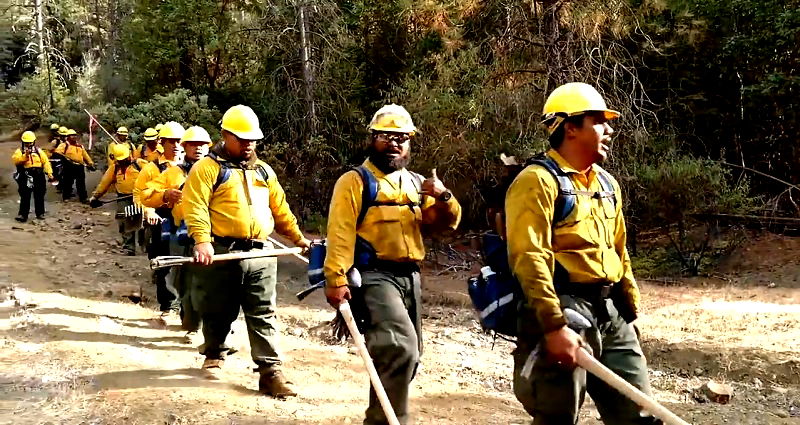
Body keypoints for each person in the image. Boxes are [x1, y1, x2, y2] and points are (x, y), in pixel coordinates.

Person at [505, 82, 660, 425]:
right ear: (570, 127)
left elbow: (620, 253)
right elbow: (529, 258)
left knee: (639, 414)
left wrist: (629, 314)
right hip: (564, 308)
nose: (610, 129)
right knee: (557, 417)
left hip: (609, 310)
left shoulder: (607, 184)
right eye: (599, 121)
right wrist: (553, 325)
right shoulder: (537, 181)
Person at [323, 104, 462, 425]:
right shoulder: (355, 181)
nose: (395, 143)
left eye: (402, 137)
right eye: (387, 136)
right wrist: (336, 278)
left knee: (405, 358)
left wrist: (443, 197)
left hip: (410, 277)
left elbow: (444, 226)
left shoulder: (415, 182)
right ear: (372, 139)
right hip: (374, 276)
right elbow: (340, 232)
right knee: (399, 348)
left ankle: (380, 417)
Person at [182, 105, 310, 397]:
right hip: (223, 252)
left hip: (261, 254)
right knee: (217, 309)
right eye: (242, 138)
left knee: (263, 312)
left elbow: (280, 208)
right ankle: (214, 352)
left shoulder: (264, 171)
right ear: (226, 135)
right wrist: (202, 240)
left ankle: (270, 372)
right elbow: (196, 206)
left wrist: (298, 237)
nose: (249, 143)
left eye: (253, 138)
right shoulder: (207, 169)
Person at [142, 125, 212, 343]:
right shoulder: (173, 172)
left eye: (202, 145)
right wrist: (165, 194)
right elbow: (146, 194)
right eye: (193, 144)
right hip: (183, 233)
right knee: (185, 281)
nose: (198, 148)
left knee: (211, 282)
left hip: (212, 234)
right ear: (185, 147)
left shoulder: (217, 169)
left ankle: (210, 329)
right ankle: (190, 323)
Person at [134, 122, 185, 320]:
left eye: (180, 141)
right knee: (166, 261)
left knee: (189, 261)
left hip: (188, 218)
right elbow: (139, 193)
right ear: (162, 142)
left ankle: (189, 307)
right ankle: (169, 305)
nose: (177, 145)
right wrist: (148, 211)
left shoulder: (192, 166)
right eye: (172, 141)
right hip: (162, 217)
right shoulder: (151, 168)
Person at [89, 144, 147, 255]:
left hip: (140, 197)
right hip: (123, 198)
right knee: (124, 222)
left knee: (142, 222)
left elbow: (153, 176)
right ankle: (129, 247)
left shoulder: (140, 165)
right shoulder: (115, 168)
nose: (123, 161)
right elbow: (104, 183)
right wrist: (95, 197)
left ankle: (145, 244)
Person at [12, 131, 53, 222]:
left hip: (38, 174)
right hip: (26, 174)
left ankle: (40, 213)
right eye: (27, 142)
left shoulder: (39, 151)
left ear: (34, 141)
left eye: (30, 142)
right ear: (23, 142)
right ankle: (23, 214)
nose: (29, 144)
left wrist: (49, 173)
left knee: (39, 194)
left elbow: (45, 162)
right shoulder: (19, 151)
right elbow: (16, 161)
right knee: (25, 195)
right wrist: (26, 155)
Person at [56, 129, 96, 203]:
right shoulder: (64, 145)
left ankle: (83, 198)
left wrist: (90, 163)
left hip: (79, 166)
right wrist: (66, 159)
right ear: (68, 137)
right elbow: (58, 153)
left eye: (75, 135)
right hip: (68, 166)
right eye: (72, 135)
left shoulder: (80, 146)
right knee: (67, 182)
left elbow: (85, 155)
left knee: (81, 183)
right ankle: (66, 197)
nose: (74, 137)